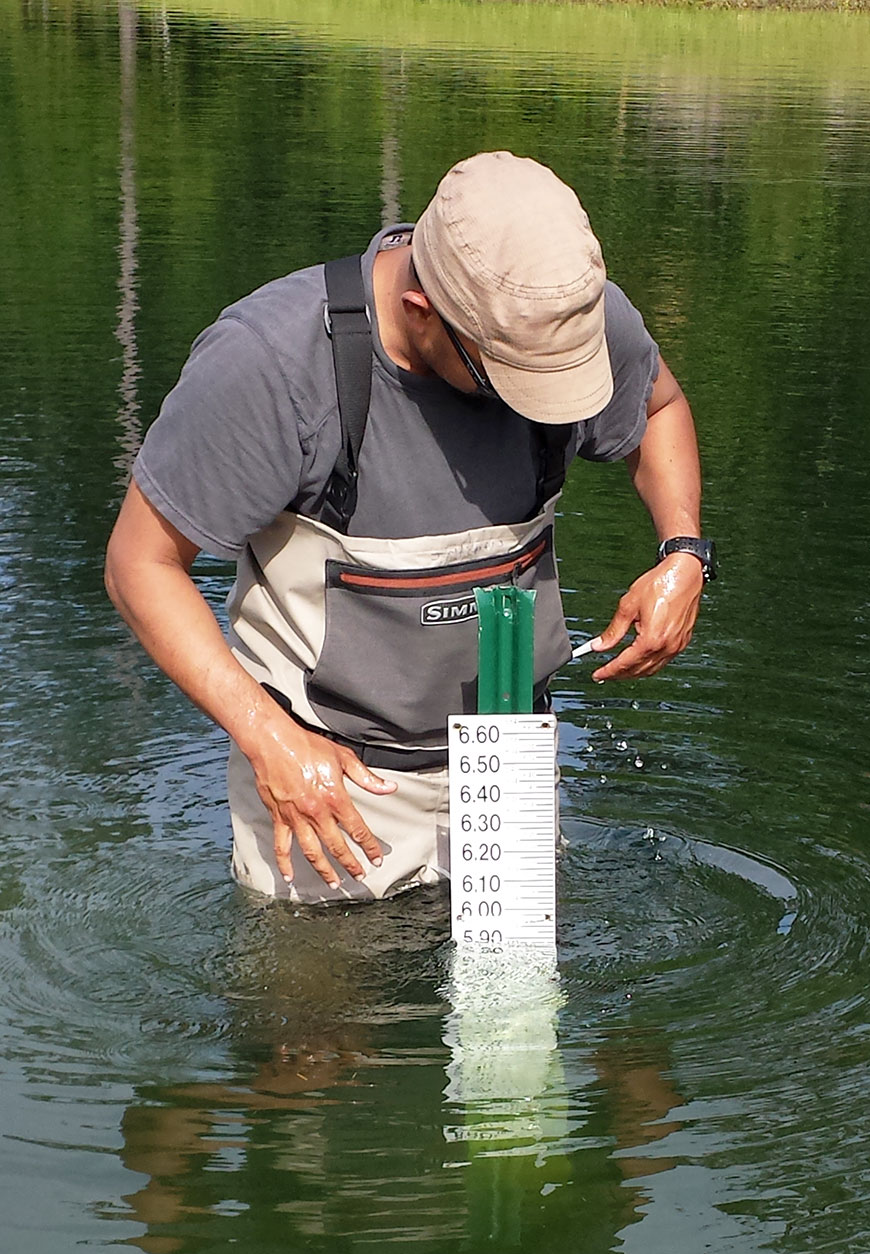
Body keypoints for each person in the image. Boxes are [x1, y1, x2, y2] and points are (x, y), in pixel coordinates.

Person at [105, 151, 713, 905]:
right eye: (510, 378)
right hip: (325, 779)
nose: (542, 400)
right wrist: (269, 739)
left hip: (509, 753)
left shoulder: (560, 312)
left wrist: (682, 551)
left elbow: (658, 409)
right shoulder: (271, 363)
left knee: (518, 1013)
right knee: (319, 1012)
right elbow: (140, 563)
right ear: (421, 306)